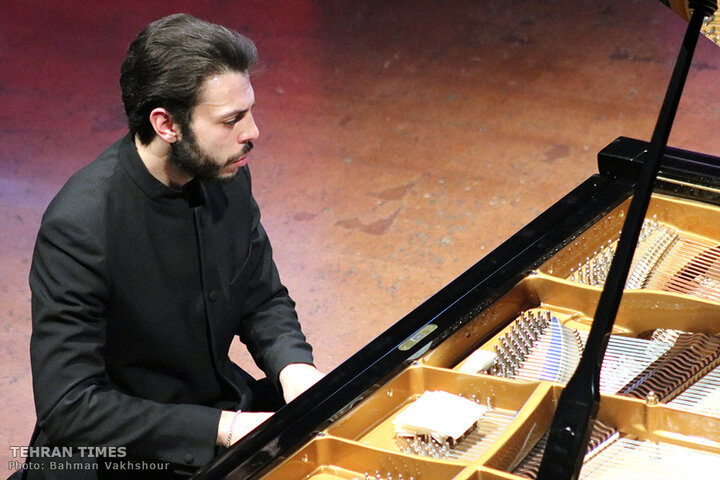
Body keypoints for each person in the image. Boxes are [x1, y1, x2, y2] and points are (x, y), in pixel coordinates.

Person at [22, 13, 324, 479]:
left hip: (216, 406)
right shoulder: (80, 227)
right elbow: (70, 408)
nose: (253, 132)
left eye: (249, 111)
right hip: (123, 452)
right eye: (231, 120)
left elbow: (261, 296)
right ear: (166, 124)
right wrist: (223, 429)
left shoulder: (225, 172)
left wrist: (294, 370)